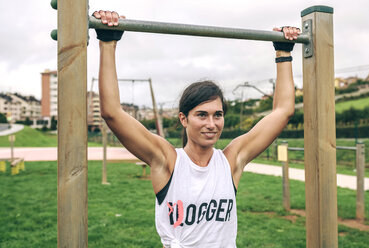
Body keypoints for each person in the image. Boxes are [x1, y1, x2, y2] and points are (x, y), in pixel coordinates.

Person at [93, 10, 300, 248]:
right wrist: (108, 42)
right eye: (202, 115)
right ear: (184, 119)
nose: (211, 124)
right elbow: (112, 112)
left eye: (217, 115)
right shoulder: (167, 160)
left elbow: (283, 111)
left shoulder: (231, 161)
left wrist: (283, 54)